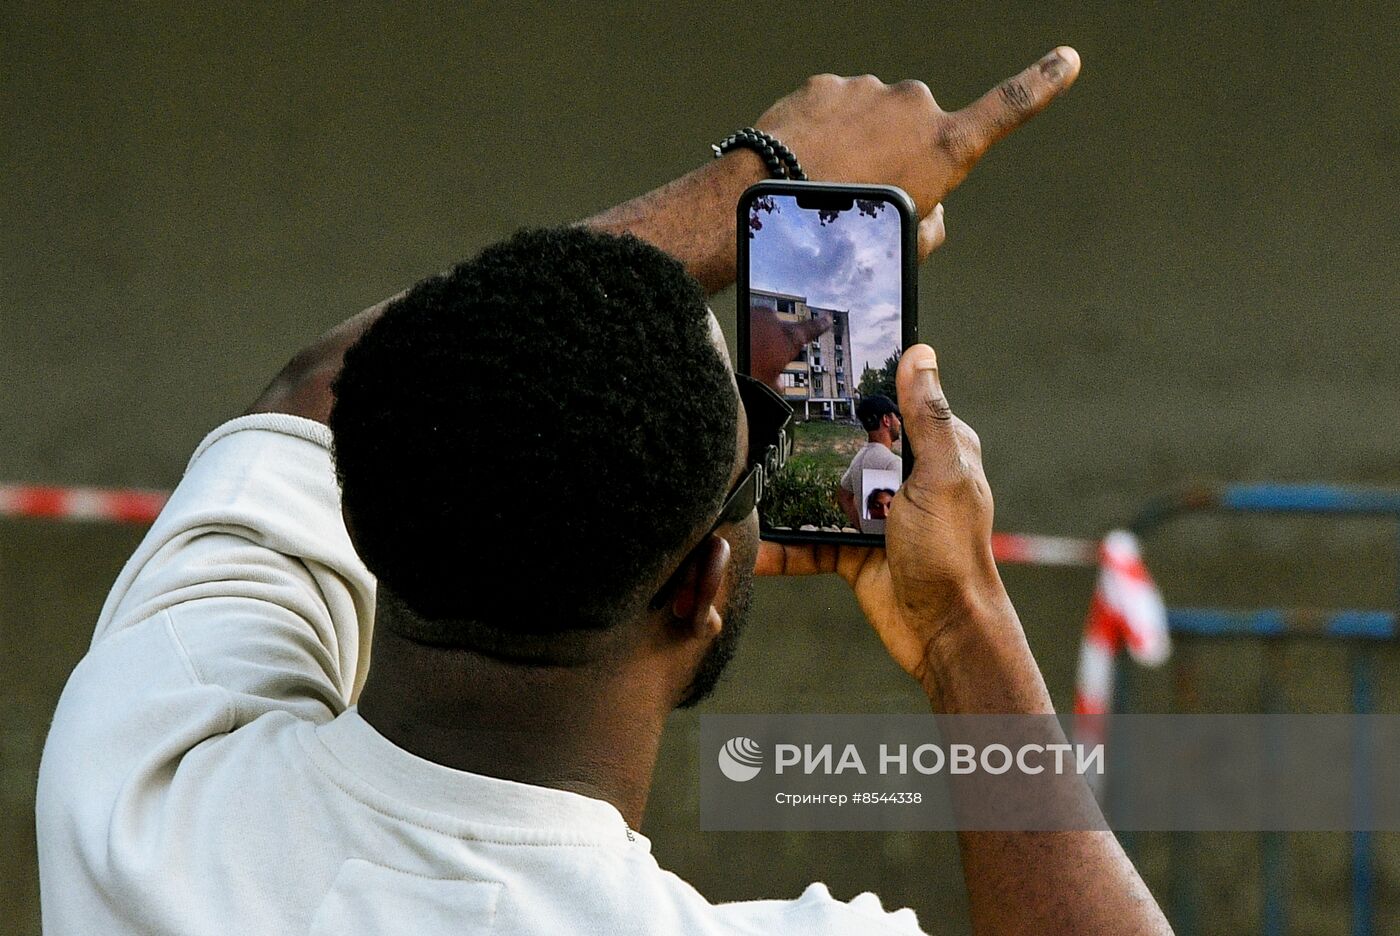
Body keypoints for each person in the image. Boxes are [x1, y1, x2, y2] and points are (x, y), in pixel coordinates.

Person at [37, 49, 1172, 935]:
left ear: (361, 518)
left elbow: (316, 390)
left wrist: (752, 178)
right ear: (703, 586)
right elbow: (337, 393)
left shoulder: (144, 780)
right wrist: (960, 616)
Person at [839, 394, 902, 528]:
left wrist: (862, 528)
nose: (899, 422)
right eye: (896, 416)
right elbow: (886, 521)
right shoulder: (889, 463)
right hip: (888, 547)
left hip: (871, 545)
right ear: (886, 420)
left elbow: (844, 496)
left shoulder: (859, 459)